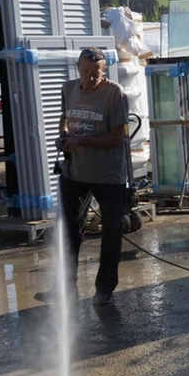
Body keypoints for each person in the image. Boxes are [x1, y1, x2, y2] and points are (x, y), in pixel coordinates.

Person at [36, 47, 129, 306]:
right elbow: (63, 119)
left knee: (111, 231)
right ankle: (63, 288)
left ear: (104, 70)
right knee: (67, 231)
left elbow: (117, 137)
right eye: (85, 72)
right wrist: (63, 137)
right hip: (74, 171)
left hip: (108, 175)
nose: (89, 78)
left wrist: (82, 142)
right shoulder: (68, 89)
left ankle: (104, 289)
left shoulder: (115, 94)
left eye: (95, 74)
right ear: (78, 68)